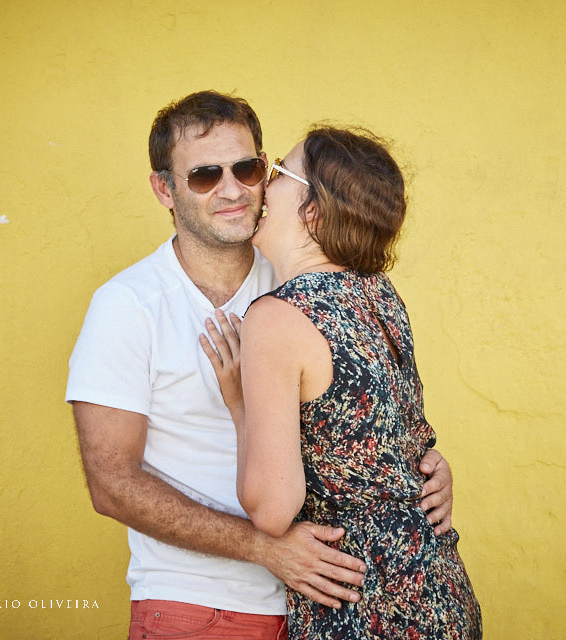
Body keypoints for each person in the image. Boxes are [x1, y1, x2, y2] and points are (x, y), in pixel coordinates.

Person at [65, 91, 456, 640]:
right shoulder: (127, 305)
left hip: (326, 609)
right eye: (204, 175)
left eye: (248, 169)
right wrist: (264, 548)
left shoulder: (298, 284)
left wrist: (423, 469)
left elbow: (361, 416)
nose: (232, 189)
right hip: (205, 608)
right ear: (165, 189)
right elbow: (111, 483)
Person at [202, 126, 482, 639]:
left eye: (278, 174)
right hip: (439, 590)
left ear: (313, 210)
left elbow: (272, 509)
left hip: (364, 605)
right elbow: (386, 437)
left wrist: (240, 405)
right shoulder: (379, 293)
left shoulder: (277, 318)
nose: (262, 186)